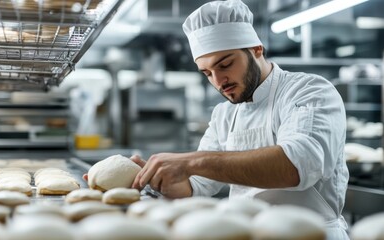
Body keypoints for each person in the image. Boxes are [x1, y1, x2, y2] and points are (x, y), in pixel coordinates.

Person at [128, 0, 350, 239]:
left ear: (256, 49)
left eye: (225, 64)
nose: (218, 80)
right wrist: (161, 181)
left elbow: (297, 165)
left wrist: (190, 161)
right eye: (207, 73)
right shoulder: (224, 114)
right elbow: (198, 185)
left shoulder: (310, 90)